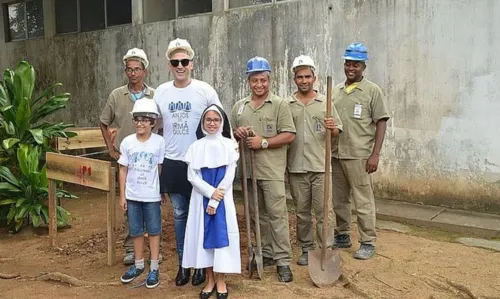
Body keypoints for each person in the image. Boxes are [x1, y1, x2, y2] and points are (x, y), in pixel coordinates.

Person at [154, 38, 223, 287]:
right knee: (180, 215)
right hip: (173, 162)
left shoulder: (205, 90)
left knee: (201, 215)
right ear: (169, 65)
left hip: (200, 163)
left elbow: (218, 123)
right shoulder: (161, 92)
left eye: (184, 61)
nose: (180, 65)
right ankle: (184, 264)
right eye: (175, 62)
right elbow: (155, 127)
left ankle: (201, 268)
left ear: (192, 64)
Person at [230, 56, 296, 283]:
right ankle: (265, 253)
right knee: (256, 215)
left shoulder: (280, 104)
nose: (259, 85)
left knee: (277, 215)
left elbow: (289, 135)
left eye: (263, 80)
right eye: (255, 80)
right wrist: (237, 133)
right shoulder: (239, 107)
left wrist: (264, 142)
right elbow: (232, 134)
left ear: (269, 80)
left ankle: (283, 260)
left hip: (271, 171)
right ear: (249, 81)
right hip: (248, 171)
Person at [99, 48, 161, 265]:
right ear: (125, 71)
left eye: (137, 69)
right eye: (129, 69)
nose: (133, 73)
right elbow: (103, 121)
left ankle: (153, 250)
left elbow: (161, 122)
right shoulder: (117, 95)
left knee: (152, 202)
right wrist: (110, 148)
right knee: (129, 203)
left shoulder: (154, 95)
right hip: (126, 158)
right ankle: (130, 248)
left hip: (150, 160)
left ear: (144, 71)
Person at [331, 42, 390, 260]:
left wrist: (375, 154)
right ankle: (342, 235)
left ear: (363, 66)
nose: (350, 68)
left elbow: (381, 122)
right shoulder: (336, 91)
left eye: (355, 64)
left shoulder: (372, 91)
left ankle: (367, 241)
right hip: (336, 155)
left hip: (360, 155)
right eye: (348, 64)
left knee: (363, 200)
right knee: (339, 200)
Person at [286, 55, 343, 266]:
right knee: (302, 212)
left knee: (323, 212)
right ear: (295, 79)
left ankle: (326, 248)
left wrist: (332, 127)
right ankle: (306, 248)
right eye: (299, 77)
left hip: (320, 167)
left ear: (314, 78)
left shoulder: (325, 103)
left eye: (307, 76)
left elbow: (337, 131)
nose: (303, 80)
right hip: (296, 168)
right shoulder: (287, 104)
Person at [183, 104, 240, 299]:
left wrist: (215, 199)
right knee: (202, 237)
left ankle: (221, 279)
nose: (212, 123)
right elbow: (192, 176)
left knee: (222, 238)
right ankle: (210, 279)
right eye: (209, 120)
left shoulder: (230, 145)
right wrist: (209, 193)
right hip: (200, 200)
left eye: (216, 120)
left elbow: (230, 174)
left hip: (223, 200)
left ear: (222, 122)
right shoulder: (195, 147)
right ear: (203, 123)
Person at [118, 98, 165, 288]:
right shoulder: (128, 142)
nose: (140, 123)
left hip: (151, 195)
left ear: (153, 122)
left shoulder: (159, 142)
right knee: (136, 231)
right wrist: (122, 195)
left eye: (145, 120)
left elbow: (160, 168)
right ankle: (138, 264)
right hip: (133, 195)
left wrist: (161, 191)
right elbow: (122, 169)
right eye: (137, 119)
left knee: (153, 231)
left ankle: (154, 267)